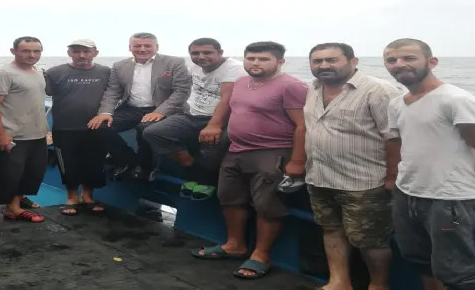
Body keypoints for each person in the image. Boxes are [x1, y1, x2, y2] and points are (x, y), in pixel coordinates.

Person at [383, 38, 475, 290]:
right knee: (419, 261)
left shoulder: (455, 99)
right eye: (391, 60)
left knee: (460, 274)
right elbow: (400, 144)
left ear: (432, 62)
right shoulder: (397, 103)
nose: (399, 64)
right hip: (408, 194)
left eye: (409, 58)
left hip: (451, 200)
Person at [192, 41, 307, 281]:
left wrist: (297, 161)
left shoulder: (292, 86)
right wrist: (214, 124)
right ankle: (234, 245)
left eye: (263, 59)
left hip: (272, 152)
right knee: (229, 198)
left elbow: (302, 125)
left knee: (267, 204)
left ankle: (261, 255)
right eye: (251, 58)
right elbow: (230, 109)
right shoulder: (241, 82)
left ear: (280, 62)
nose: (255, 63)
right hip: (236, 150)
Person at [304, 43, 402, 290]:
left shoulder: (378, 90)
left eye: (331, 60)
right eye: (317, 61)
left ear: (353, 61)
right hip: (320, 176)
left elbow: (395, 137)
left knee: (371, 241)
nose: (323, 65)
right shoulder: (312, 88)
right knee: (330, 229)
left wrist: (392, 177)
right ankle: (339, 282)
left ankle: (379, 286)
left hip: (365, 182)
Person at [142, 37, 245, 199]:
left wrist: (214, 125)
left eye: (207, 52)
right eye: (195, 53)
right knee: (153, 132)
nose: (201, 57)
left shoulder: (234, 68)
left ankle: (207, 181)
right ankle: (190, 165)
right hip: (192, 114)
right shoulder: (196, 67)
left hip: (221, 117)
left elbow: (227, 99)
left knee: (212, 145)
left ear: (220, 52)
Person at [88, 32, 191, 181]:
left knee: (145, 128)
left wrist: (160, 112)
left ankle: (145, 167)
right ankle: (129, 160)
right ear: (130, 48)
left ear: (157, 47)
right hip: (132, 109)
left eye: (147, 45)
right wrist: (105, 112)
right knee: (100, 126)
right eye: (137, 46)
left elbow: (181, 91)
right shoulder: (119, 66)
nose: (142, 49)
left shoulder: (175, 63)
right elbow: (113, 91)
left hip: (164, 109)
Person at [0, 36, 50, 237]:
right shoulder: (3, 74)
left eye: (36, 51)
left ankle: (13, 208)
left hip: (36, 135)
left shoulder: (37, 73)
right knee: (0, 175)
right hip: (11, 135)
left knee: (30, 174)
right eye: (26, 51)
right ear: (14, 51)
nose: (32, 55)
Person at [45, 39, 111, 215]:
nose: (81, 55)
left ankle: (88, 196)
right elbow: (39, 94)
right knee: (68, 163)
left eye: (86, 51)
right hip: (64, 127)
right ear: (69, 53)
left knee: (94, 162)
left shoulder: (106, 72)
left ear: (95, 53)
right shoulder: (54, 72)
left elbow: (114, 95)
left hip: (96, 127)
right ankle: (72, 198)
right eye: (76, 51)